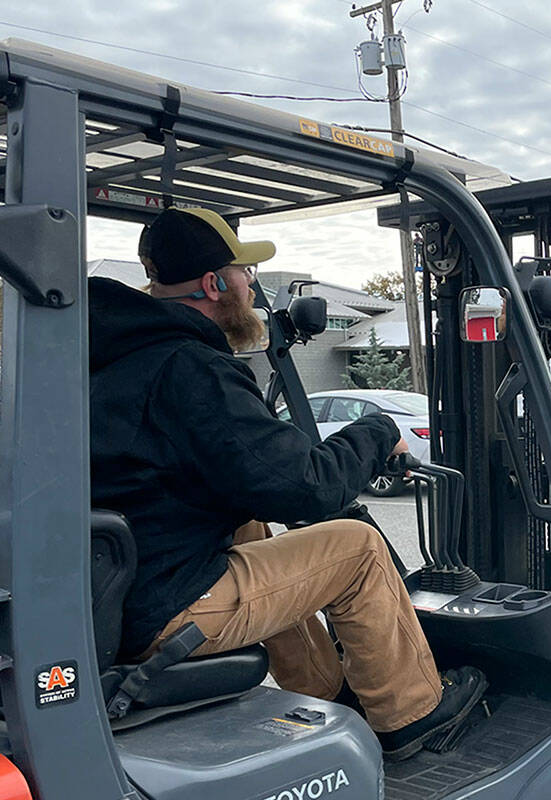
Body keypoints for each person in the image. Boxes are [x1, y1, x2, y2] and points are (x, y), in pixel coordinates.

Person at [89, 207, 484, 761]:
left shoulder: (109, 359)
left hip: (118, 587)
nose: (251, 286)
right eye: (244, 274)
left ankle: (327, 693)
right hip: (164, 606)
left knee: (248, 523)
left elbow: (240, 473)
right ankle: (411, 714)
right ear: (214, 283)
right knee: (358, 546)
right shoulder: (190, 368)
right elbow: (306, 486)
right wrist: (377, 432)